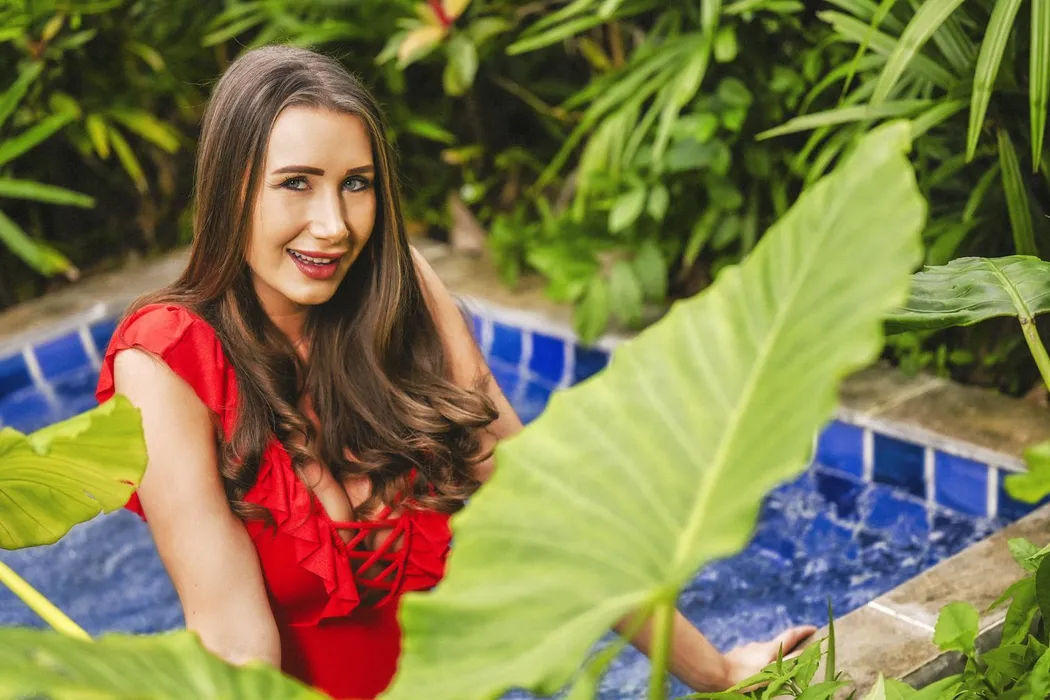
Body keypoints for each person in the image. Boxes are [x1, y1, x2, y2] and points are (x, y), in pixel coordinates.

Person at [95, 44, 814, 699]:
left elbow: (546, 509)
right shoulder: (165, 359)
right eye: (296, 183)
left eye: (356, 184)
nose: (334, 224)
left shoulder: (394, 287)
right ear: (231, 188)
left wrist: (714, 673)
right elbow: (236, 647)